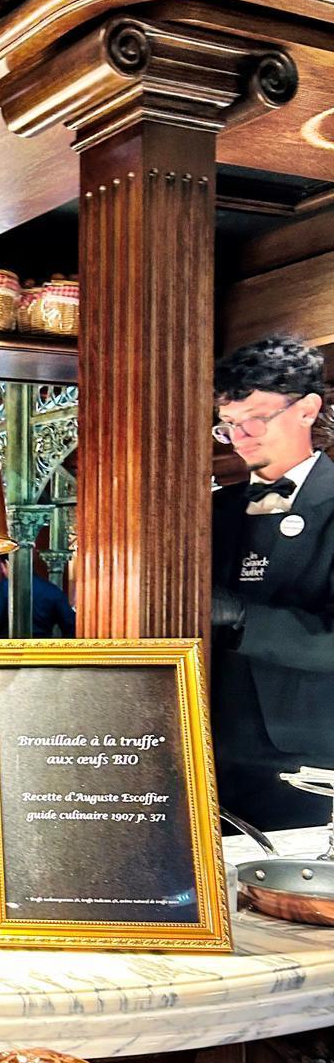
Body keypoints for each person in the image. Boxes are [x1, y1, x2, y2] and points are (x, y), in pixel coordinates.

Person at [210, 334, 334, 831]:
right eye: (228, 426)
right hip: (209, 751)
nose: (242, 438)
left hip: (308, 763)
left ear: (307, 409)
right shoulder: (213, 512)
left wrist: (242, 618)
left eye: (256, 419)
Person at [0, 555, 76, 639]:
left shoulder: (5, 588)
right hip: (42, 655)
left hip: (8, 655)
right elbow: (71, 625)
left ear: (7, 563)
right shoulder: (52, 590)